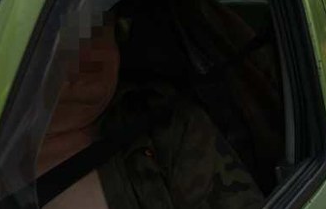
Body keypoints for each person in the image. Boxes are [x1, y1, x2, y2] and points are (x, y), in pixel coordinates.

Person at [31, 16, 265, 209]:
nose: (87, 53)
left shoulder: (166, 125)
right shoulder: (8, 134)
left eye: (98, 27)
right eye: (60, 37)